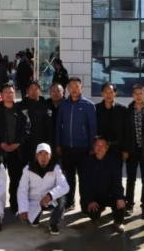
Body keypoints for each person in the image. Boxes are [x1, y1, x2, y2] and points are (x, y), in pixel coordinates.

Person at [54, 77, 97, 210]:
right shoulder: (63, 104)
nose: (74, 89)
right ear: (68, 88)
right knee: (69, 177)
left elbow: (93, 128)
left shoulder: (89, 105)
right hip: (67, 147)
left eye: (76, 86)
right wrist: (58, 143)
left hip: (83, 148)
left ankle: (85, 204)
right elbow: (58, 125)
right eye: (71, 87)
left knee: (84, 177)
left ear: (81, 87)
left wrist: (92, 147)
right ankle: (69, 202)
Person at [0, 83, 30, 213]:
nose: (8, 95)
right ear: (1, 94)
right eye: (5, 92)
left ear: (15, 94)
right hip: (0, 150)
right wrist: (0, 144)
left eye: (11, 92)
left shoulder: (21, 110)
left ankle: (14, 204)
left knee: (16, 179)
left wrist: (18, 143)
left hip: (16, 150)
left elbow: (26, 129)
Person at [17, 143, 69, 235]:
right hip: (34, 200)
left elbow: (65, 186)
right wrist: (23, 208)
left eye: (46, 154)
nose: (43, 157)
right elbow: (22, 189)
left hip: (50, 200)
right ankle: (35, 217)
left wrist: (50, 195)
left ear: (50, 156)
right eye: (40, 154)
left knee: (62, 197)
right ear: (36, 156)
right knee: (24, 220)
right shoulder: (28, 169)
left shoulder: (56, 168)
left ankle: (53, 223)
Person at [122, 84, 144, 218]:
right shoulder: (128, 111)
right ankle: (129, 205)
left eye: (141, 93)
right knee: (130, 180)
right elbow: (124, 133)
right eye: (136, 93)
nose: (138, 96)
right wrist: (125, 149)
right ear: (132, 95)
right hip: (132, 150)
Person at [81, 137, 126, 233]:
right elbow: (84, 183)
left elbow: (117, 181)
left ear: (107, 147)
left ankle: (118, 222)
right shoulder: (87, 161)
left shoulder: (113, 161)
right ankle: (97, 213)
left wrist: (119, 197)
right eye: (97, 145)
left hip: (110, 194)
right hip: (95, 196)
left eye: (102, 146)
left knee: (120, 202)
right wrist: (90, 200)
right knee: (92, 211)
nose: (99, 148)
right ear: (93, 146)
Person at [18, 80, 53, 160]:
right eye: (31, 89)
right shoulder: (20, 105)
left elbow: (49, 128)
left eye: (36, 89)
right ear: (27, 91)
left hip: (41, 143)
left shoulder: (46, 106)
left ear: (40, 91)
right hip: (24, 143)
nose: (33, 91)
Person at [96, 83, 128, 157]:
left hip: (117, 148)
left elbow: (127, 131)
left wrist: (126, 149)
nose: (108, 95)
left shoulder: (123, 109)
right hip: (100, 148)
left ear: (115, 94)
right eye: (106, 92)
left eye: (111, 92)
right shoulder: (96, 109)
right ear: (102, 93)